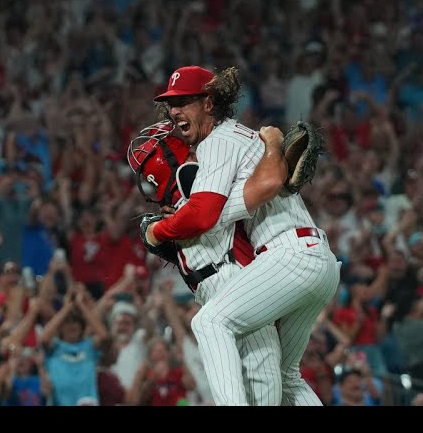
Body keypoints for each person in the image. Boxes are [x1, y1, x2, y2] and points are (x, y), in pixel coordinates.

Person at [144, 65, 340, 405]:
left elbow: (205, 214)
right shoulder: (243, 137)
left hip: (289, 255)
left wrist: (159, 232)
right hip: (319, 260)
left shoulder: (217, 141)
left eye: (185, 101)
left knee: (209, 322)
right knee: (286, 375)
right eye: (172, 104)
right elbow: (223, 208)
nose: (175, 111)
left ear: (208, 103)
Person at [128, 120, 288, 405]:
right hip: (235, 283)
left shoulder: (158, 222)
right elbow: (263, 184)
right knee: (263, 389)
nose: (195, 153)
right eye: (189, 152)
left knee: (254, 389)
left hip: (221, 287)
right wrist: (274, 150)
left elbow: (159, 232)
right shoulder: (205, 192)